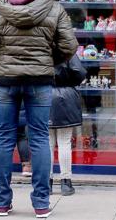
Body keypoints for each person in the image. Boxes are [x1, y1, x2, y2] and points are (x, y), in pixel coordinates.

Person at [0, 0, 77, 218]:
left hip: (6, 82)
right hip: (40, 82)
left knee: (4, 136)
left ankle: (1, 203)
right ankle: (41, 203)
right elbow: (69, 46)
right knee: (40, 137)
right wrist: (47, 62)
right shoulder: (53, 8)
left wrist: (0, 60)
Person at [49, 55, 86, 196]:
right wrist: (70, 82)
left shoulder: (41, 45)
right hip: (66, 95)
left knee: (47, 143)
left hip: (44, 95)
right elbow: (79, 72)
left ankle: (47, 182)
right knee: (64, 142)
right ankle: (66, 182)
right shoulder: (67, 48)